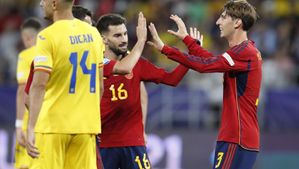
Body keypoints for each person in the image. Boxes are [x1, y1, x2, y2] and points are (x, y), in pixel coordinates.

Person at [148, 1, 262, 169]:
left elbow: (205, 65)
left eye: (223, 17)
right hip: (243, 137)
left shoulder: (244, 52)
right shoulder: (245, 51)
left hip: (236, 137)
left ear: (237, 22)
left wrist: (166, 49)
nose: (218, 22)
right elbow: (212, 61)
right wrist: (189, 41)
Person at [96, 13, 189, 169]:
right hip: (103, 143)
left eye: (125, 34)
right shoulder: (96, 62)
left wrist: (190, 56)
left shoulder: (137, 63)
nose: (124, 39)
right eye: (118, 35)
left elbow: (172, 79)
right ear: (104, 39)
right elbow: (124, 68)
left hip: (133, 142)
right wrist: (141, 41)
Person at [26, 0, 105, 169]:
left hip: (52, 127)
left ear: (54, 4)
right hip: (86, 127)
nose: (41, 3)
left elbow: (39, 85)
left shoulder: (47, 36)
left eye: (44, 0)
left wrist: (31, 126)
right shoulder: (94, 33)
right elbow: (100, 86)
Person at [15, 17, 42, 169]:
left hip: (29, 121)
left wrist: (19, 125)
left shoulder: (25, 55)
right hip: (48, 122)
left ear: (27, 38)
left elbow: (21, 91)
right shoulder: (53, 52)